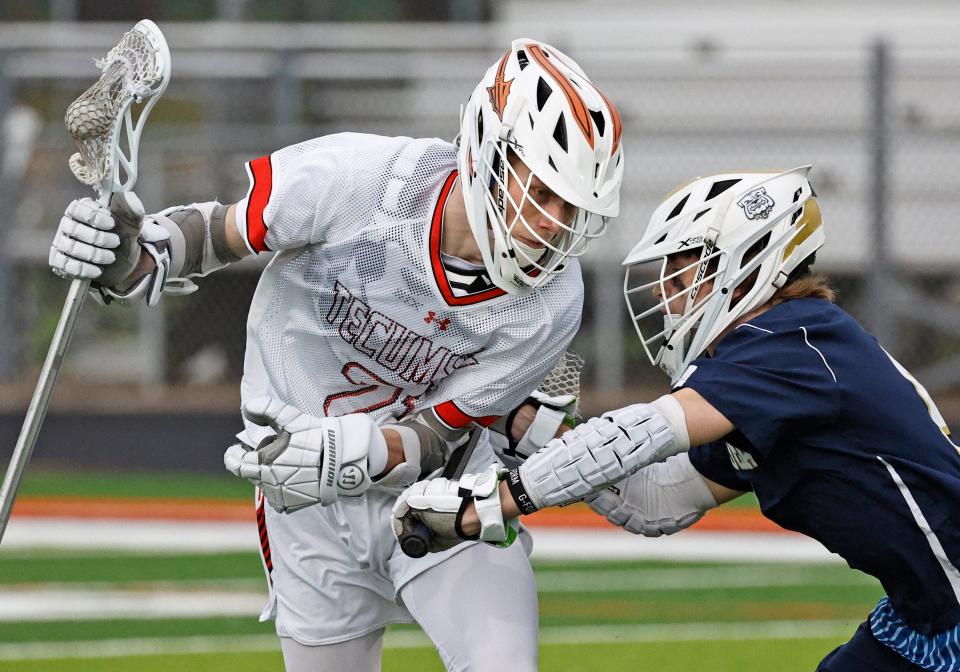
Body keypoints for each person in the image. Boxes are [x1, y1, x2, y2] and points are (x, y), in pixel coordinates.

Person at [47, 38, 623, 671]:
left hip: (441, 499)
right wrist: (131, 258)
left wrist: (360, 450)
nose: (554, 225)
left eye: (573, 208)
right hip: (304, 506)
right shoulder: (362, 181)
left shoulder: (553, 300)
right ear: (488, 154)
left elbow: (439, 434)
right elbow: (215, 235)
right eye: (542, 195)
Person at [392, 167, 960, 672]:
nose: (669, 301)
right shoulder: (780, 357)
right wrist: (530, 429)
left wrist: (486, 505)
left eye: (686, 278)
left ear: (749, 269)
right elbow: (656, 500)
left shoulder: (790, 344)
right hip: (921, 617)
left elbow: (643, 434)